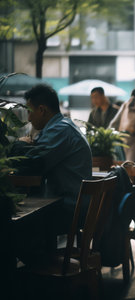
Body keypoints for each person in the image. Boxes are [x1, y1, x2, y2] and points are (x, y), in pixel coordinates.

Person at [9, 84, 92, 262]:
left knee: (13, 227)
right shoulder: (60, 126)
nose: (29, 118)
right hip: (72, 204)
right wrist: (29, 146)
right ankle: (39, 266)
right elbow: (34, 150)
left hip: (70, 209)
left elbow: (32, 163)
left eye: (29, 112)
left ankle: (36, 272)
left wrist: (20, 144)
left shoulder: (60, 130)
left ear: (42, 109)